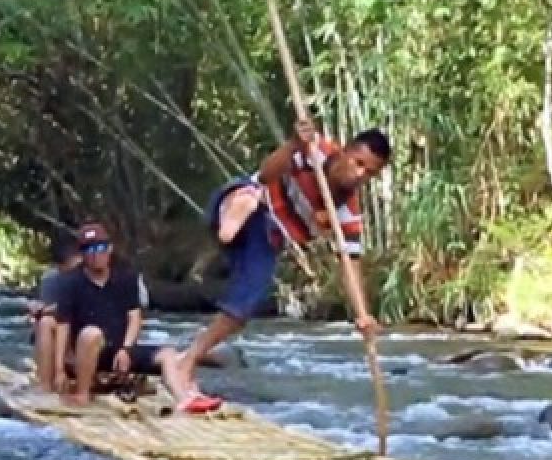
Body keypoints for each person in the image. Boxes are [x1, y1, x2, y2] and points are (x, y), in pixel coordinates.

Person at [161, 118, 391, 408]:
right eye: (358, 163)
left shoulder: (345, 212)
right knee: (250, 193)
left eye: (369, 173)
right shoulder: (314, 151)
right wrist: (294, 144)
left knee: (245, 304)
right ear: (345, 151)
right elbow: (268, 172)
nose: (359, 174)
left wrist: (362, 315)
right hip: (248, 200)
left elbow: (350, 263)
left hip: (266, 237)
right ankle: (234, 218)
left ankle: (187, 361)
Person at [50, 222, 208, 409]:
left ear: (109, 249)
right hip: (88, 351)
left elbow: (134, 316)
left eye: (100, 247)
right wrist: (59, 368)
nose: (95, 254)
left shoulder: (125, 278)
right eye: (89, 249)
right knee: (91, 334)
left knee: (168, 353)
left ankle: (184, 399)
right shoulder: (71, 282)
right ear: (83, 254)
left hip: (120, 349)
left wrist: (126, 348)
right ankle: (83, 393)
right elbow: (63, 324)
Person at [28, 241, 82, 383]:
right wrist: (39, 310)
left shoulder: (98, 276)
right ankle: (46, 383)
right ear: (61, 268)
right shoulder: (53, 280)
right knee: (44, 322)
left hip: (91, 333)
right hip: (66, 333)